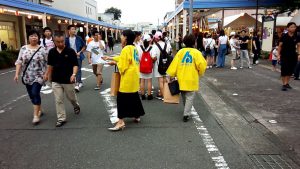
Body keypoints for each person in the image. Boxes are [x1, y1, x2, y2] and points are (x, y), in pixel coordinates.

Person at [103, 30, 145, 131]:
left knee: (121, 99)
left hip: (128, 77)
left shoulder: (126, 49)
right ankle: (137, 115)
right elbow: (125, 59)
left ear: (125, 37)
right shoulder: (133, 48)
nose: (121, 37)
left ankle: (120, 121)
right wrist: (110, 58)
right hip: (134, 76)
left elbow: (123, 64)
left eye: (122, 36)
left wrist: (114, 63)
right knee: (133, 96)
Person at [166, 34, 207, 122]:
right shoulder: (196, 53)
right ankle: (186, 114)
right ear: (194, 42)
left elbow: (174, 64)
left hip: (181, 77)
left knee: (184, 94)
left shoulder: (181, 52)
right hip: (192, 77)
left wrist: (170, 75)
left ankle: (186, 110)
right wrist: (200, 73)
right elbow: (202, 65)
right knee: (190, 96)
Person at [46, 32, 81, 127]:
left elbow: (75, 65)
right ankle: (61, 118)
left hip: (68, 79)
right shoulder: (52, 52)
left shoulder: (70, 51)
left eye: (62, 41)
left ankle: (75, 105)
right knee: (58, 100)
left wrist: (73, 74)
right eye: (58, 42)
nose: (60, 44)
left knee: (71, 98)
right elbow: (50, 65)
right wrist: (47, 75)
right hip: (56, 79)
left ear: (64, 40)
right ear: (54, 41)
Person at [14, 30, 47, 125]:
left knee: (35, 92)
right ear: (28, 38)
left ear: (38, 37)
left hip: (39, 76)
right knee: (31, 95)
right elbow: (19, 62)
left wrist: (47, 74)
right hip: (27, 76)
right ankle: (39, 108)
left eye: (36, 36)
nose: (34, 38)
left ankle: (36, 115)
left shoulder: (42, 49)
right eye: (32, 36)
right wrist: (16, 74)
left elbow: (47, 62)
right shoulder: (23, 48)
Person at [278, 22, 300, 91]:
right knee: (284, 69)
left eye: (294, 27)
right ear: (288, 28)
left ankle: (287, 83)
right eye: (291, 27)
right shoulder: (284, 36)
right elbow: (280, 46)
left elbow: (299, 46)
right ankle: (284, 84)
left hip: (293, 55)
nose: (293, 28)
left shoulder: (297, 36)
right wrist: (278, 55)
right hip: (284, 55)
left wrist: (299, 54)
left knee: (290, 70)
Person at [65, 25, 86, 92]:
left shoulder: (79, 38)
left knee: (78, 70)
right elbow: (64, 48)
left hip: (78, 56)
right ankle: (79, 82)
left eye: (74, 29)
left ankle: (77, 84)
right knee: (71, 70)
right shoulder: (66, 39)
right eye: (72, 29)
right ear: (69, 31)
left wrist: (79, 52)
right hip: (70, 57)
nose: (74, 30)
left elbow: (84, 46)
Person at [151, 31, 172, 100]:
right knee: (166, 80)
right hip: (167, 64)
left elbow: (153, 57)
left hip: (158, 66)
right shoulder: (167, 44)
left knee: (160, 81)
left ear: (156, 38)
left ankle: (163, 96)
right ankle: (167, 94)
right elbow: (169, 53)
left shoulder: (154, 46)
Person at [139, 34, 154, 100]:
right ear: (149, 41)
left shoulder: (140, 47)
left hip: (142, 66)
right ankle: (149, 95)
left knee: (142, 81)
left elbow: (138, 57)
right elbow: (153, 57)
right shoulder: (152, 48)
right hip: (149, 67)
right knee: (149, 81)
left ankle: (142, 95)